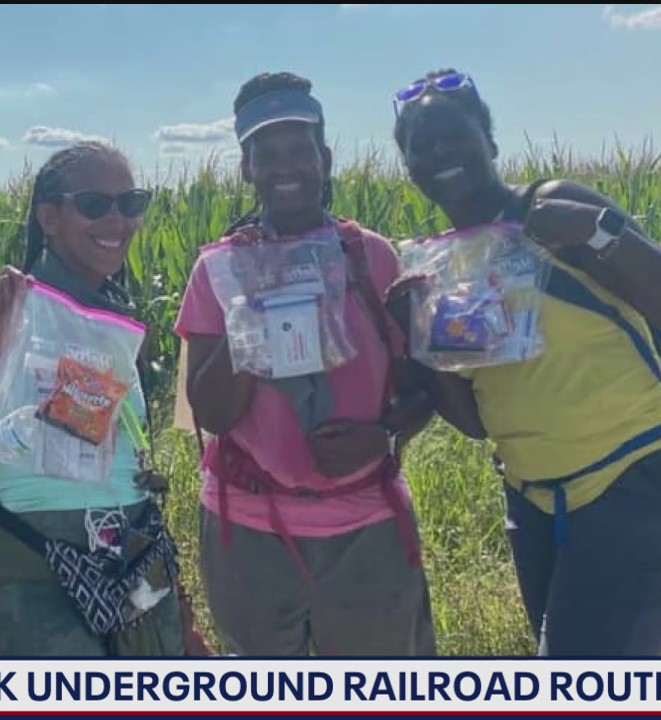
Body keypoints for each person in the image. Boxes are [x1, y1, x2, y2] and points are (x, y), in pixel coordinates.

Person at [386, 67, 661, 656]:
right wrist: (416, 328)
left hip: (639, 473)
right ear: (410, 167)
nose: (441, 151)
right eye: (423, 145)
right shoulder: (447, 270)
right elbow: (475, 421)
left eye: (454, 133)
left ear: (488, 138)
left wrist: (598, 231)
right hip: (537, 500)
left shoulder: (550, 209)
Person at [174, 71, 438, 657]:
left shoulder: (371, 257)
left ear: (324, 157)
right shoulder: (219, 271)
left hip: (365, 526)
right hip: (249, 527)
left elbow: (422, 391)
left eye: (299, 150)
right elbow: (212, 414)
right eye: (265, 154)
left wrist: (385, 435)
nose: (284, 167)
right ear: (246, 168)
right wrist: (255, 315)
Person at [0, 141, 205, 656]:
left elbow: (127, 474)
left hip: (133, 578)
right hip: (32, 580)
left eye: (131, 203)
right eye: (95, 204)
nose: (117, 219)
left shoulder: (114, 324)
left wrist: (182, 618)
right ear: (48, 217)